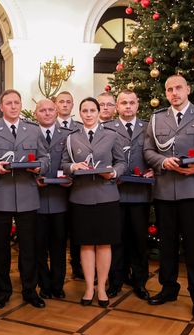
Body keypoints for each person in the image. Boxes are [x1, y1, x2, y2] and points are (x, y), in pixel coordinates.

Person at [144, 75, 194, 318]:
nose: (174, 93)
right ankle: (168, 289)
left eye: (178, 88)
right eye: (169, 89)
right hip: (165, 192)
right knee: (167, 246)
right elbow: (148, 149)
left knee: (193, 247)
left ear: (188, 89)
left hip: (193, 191)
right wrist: (162, 161)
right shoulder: (157, 117)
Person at [0, 89, 49, 310]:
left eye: (17, 102)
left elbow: (46, 157)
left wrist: (40, 166)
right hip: (0, 194)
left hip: (27, 194)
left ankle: (29, 291)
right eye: (9, 103)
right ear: (1, 106)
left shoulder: (33, 130)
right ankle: (3, 291)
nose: (14, 106)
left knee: (29, 247)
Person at [61, 97, 126, 308]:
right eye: (85, 111)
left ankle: (102, 288)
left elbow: (122, 161)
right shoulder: (71, 138)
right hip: (81, 197)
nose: (88, 114)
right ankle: (89, 287)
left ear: (98, 112)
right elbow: (63, 162)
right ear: (80, 114)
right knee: (86, 244)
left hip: (106, 195)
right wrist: (73, 167)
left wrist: (114, 172)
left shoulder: (111, 135)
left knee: (104, 243)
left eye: (92, 110)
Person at [107, 90, 152, 300]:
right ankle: (115, 281)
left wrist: (154, 170)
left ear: (137, 105)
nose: (127, 106)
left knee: (139, 241)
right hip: (114, 193)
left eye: (131, 102)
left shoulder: (148, 127)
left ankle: (140, 282)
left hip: (140, 194)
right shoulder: (108, 128)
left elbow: (155, 153)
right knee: (116, 240)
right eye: (123, 103)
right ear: (117, 106)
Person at [34, 98, 72, 299]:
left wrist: (70, 179)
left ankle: (57, 285)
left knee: (58, 245)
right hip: (36, 200)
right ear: (35, 114)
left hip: (60, 199)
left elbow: (74, 161)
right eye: (42, 110)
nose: (47, 113)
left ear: (57, 112)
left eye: (51, 110)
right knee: (38, 245)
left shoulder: (67, 135)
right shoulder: (29, 134)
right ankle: (43, 284)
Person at [54, 91, 84, 280]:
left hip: (75, 186)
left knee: (76, 228)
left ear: (73, 105)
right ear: (55, 104)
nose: (65, 105)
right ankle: (57, 270)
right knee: (57, 232)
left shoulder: (80, 128)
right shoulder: (47, 125)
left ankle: (77, 265)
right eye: (61, 102)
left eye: (68, 102)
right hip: (53, 187)